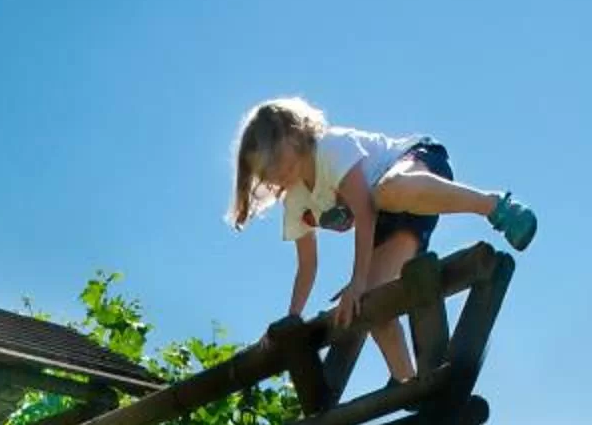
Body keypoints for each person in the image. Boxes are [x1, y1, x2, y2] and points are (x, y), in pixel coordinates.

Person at [227, 96, 537, 383]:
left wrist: (356, 280)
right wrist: (290, 321)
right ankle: (410, 385)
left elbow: (364, 212)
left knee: (388, 190)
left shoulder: (330, 147)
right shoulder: (295, 199)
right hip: (391, 220)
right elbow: (307, 265)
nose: (275, 173)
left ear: (293, 133)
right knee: (371, 303)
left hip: (413, 167)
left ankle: (495, 206)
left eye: (275, 158)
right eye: (264, 172)